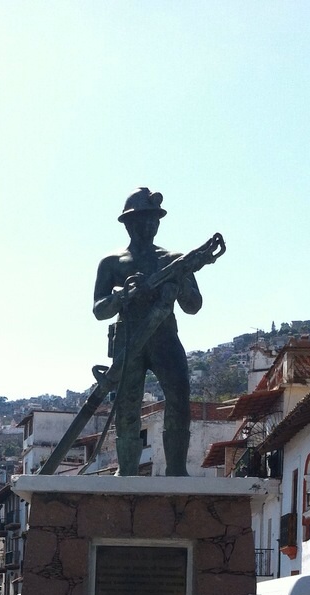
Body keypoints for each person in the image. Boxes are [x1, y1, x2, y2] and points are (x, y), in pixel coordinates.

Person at [93, 188, 204, 477]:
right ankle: (127, 471)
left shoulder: (175, 260)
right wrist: (121, 295)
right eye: (145, 219)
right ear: (130, 223)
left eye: (155, 220)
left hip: (165, 335)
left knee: (180, 393)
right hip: (128, 339)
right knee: (126, 405)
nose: (151, 225)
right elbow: (98, 309)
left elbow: (193, 306)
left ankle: (177, 470)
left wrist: (179, 285)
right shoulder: (112, 263)